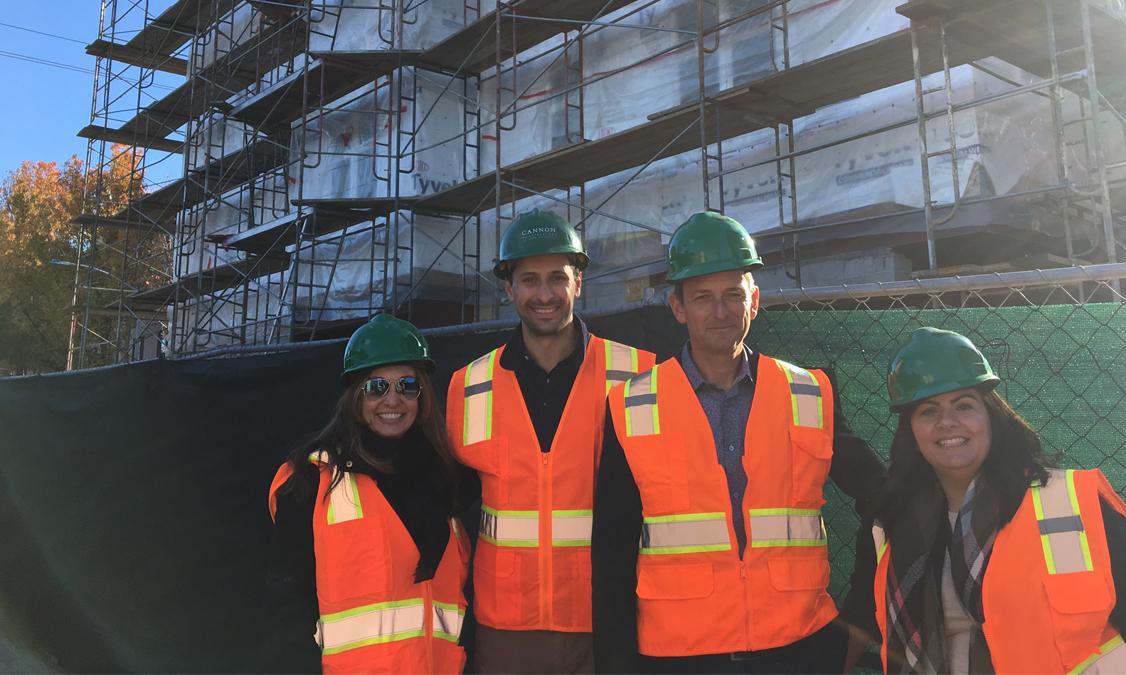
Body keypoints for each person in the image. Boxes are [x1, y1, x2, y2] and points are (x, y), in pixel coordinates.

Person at [591, 211, 886, 674]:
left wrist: (862, 619)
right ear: (677, 307)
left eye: (733, 294)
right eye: (703, 297)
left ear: (754, 300)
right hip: (679, 659)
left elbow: (883, 497)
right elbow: (611, 549)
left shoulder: (808, 392)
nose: (720, 311)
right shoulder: (629, 405)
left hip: (799, 650)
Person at [842, 327, 1126, 673]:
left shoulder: (1068, 508)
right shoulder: (891, 522)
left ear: (991, 415)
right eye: (928, 411)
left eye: (964, 405)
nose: (947, 422)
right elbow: (860, 619)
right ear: (911, 431)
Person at [445, 209, 656, 674]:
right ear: (508, 288)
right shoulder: (468, 385)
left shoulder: (636, 375)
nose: (544, 295)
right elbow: (446, 497)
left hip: (604, 614)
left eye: (557, 278)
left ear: (578, 282)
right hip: (504, 623)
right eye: (529, 280)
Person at [263, 314, 477, 673]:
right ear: (356, 396)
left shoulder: (449, 482)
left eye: (407, 386)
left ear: (422, 395)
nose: (392, 400)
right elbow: (284, 609)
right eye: (377, 387)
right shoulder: (312, 481)